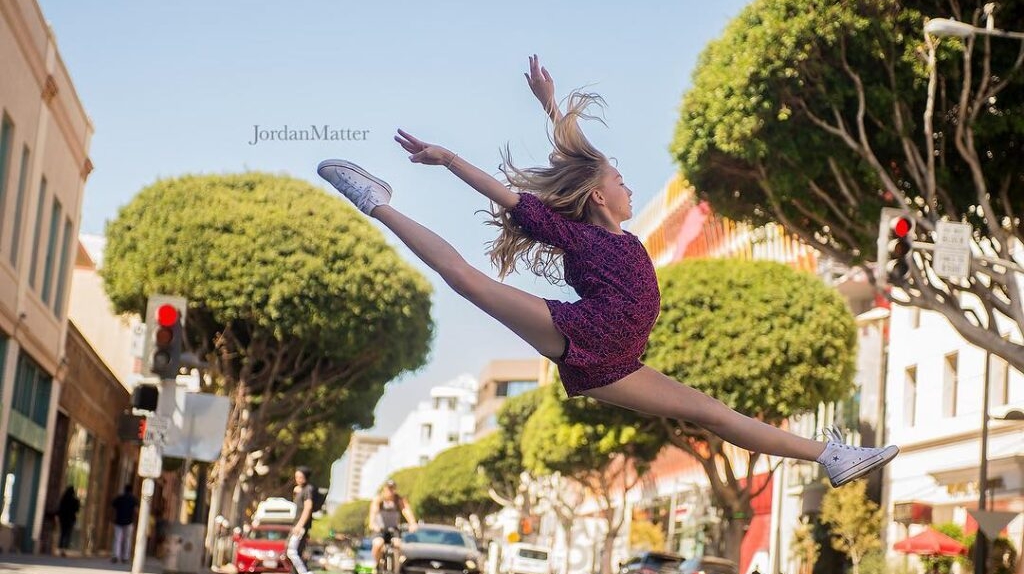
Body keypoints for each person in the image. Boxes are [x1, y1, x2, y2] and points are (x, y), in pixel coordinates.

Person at [316, 55, 899, 487]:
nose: (628, 184)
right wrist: (446, 159)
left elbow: (574, 146)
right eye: (619, 180)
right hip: (582, 332)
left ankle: (830, 457)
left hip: (619, 363)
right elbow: (504, 192)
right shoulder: (571, 231)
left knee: (715, 414)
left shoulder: (625, 235)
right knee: (470, 282)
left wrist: (550, 102)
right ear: (597, 196)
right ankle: (378, 201)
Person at [368, 479, 418, 572]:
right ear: (384, 489)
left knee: (398, 545)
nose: (390, 491)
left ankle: (396, 570)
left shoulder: (398, 499)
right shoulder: (379, 499)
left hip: (393, 529)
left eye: (392, 489)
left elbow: (406, 510)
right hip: (380, 530)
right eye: (388, 489)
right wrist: (372, 524)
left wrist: (412, 523)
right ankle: (378, 564)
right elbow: (373, 512)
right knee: (378, 544)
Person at [281, 467, 316, 574]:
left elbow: (308, 508)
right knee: (291, 552)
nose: (298, 479)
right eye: (296, 477)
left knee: (292, 552)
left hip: (300, 527)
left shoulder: (308, 490)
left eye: (300, 477)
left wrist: (300, 525)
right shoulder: (300, 490)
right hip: (296, 525)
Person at [110, 484, 138, 564]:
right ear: (131, 490)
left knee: (117, 539)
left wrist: (112, 518)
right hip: (129, 522)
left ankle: (116, 556)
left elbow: (113, 508)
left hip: (118, 521)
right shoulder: (133, 499)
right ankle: (125, 557)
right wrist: (135, 521)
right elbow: (136, 511)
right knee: (127, 540)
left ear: (124, 490)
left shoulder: (119, 498)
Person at [57, 486, 80, 556]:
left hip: (63, 518)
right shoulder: (75, 500)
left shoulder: (63, 499)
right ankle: (65, 549)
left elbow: (60, 508)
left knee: (62, 533)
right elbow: (77, 510)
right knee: (68, 534)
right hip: (70, 519)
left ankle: (61, 548)